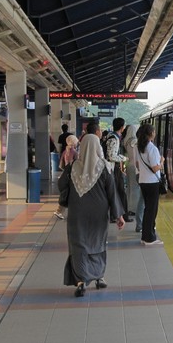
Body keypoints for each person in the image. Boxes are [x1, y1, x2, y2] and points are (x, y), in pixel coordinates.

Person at [58, 122, 126, 297]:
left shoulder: (73, 167)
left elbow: (61, 185)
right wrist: (118, 215)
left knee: (79, 245)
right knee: (97, 243)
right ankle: (99, 277)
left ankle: (81, 281)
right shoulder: (104, 167)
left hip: (77, 214)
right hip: (98, 214)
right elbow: (112, 192)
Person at [136, 124, 164, 245]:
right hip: (152, 182)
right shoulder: (152, 148)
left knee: (148, 209)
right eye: (153, 131)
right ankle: (149, 238)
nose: (155, 132)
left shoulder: (140, 147)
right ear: (150, 133)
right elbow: (155, 168)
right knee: (151, 210)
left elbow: (138, 165)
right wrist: (162, 162)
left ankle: (145, 236)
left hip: (143, 181)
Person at [105, 117, 131, 221]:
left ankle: (116, 214)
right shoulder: (114, 138)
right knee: (120, 192)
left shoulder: (112, 136)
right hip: (113, 168)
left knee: (116, 191)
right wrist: (124, 158)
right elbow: (111, 156)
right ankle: (121, 215)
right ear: (122, 127)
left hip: (113, 168)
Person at [123, 124, 144, 232]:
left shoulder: (126, 141)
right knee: (135, 188)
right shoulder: (134, 141)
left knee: (130, 188)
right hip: (133, 166)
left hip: (128, 165)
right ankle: (133, 208)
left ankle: (129, 206)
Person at [54, 134, 80, 220]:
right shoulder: (75, 152)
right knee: (71, 194)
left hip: (65, 174)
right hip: (72, 175)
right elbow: (77, 165)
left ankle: (60, 211)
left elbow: (61, 165)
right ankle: (60, 211)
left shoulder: (65, 151)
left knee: (67, 194)